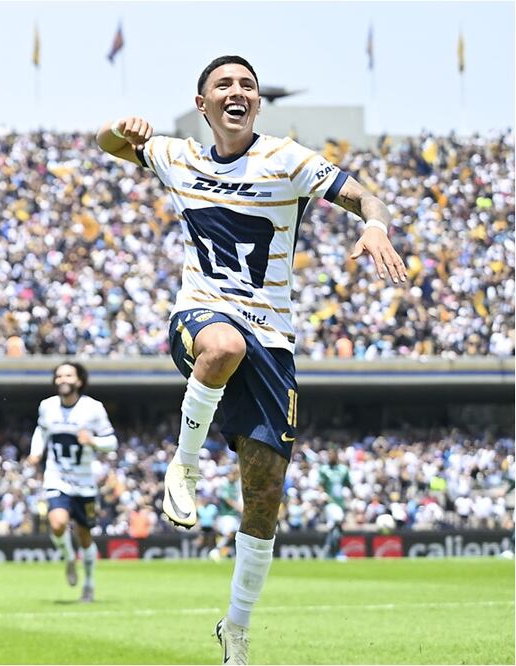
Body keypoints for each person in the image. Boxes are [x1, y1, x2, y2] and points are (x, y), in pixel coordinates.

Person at [96, 55, 407, 663]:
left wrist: (376, 227)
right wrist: (122, 128)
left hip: (274, 340)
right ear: (203, 102)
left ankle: (236, 627)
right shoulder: (176, 155)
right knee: (223, 344)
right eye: (225, 85)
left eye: (248, 86)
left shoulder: (287, 159)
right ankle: (182, 467)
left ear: (257, 104)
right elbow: (106, 144)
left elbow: (368, 197)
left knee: (264, 499)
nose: (238, 92)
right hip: (202, 316)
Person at [26, 362, 118, 603]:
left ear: (78, 381)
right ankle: (68, 557)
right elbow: (41, 431)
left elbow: (112, 442)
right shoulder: (47, 406)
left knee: (85, 536)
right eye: (58, 375)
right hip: (57, 477)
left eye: (68, 375)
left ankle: (88, 584)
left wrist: (94, 441)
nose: (62, 379)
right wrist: (36, 452)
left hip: (85, 482)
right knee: (57, 523)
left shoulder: (93, 408)